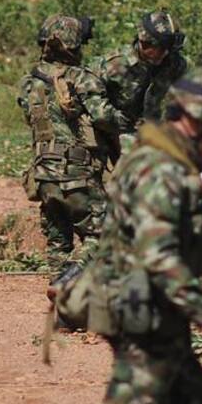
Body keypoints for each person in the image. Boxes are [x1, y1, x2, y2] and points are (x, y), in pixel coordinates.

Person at [99, 63, 202, 404]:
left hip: (160, 313)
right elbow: (157, 254)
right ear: (198, 121)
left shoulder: (168, 162)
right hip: (144, 318)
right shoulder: (162, 170)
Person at [17, 15, 122, 277]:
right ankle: (72, 276)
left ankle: (60, 288)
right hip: (78, 175)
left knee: (58, 243)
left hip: (43, 176)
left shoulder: (29, 82)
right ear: (74, 46)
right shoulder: (82, 78)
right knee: (104, 232)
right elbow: (105, 118)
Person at [96, 11, 187, 146]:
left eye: (169, 50)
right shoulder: (114, 65)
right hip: (111, 130)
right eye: (160, 48)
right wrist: (117, 120)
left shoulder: (174, 64)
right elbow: (90, 97)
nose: (165, 54)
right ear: (144, 43)